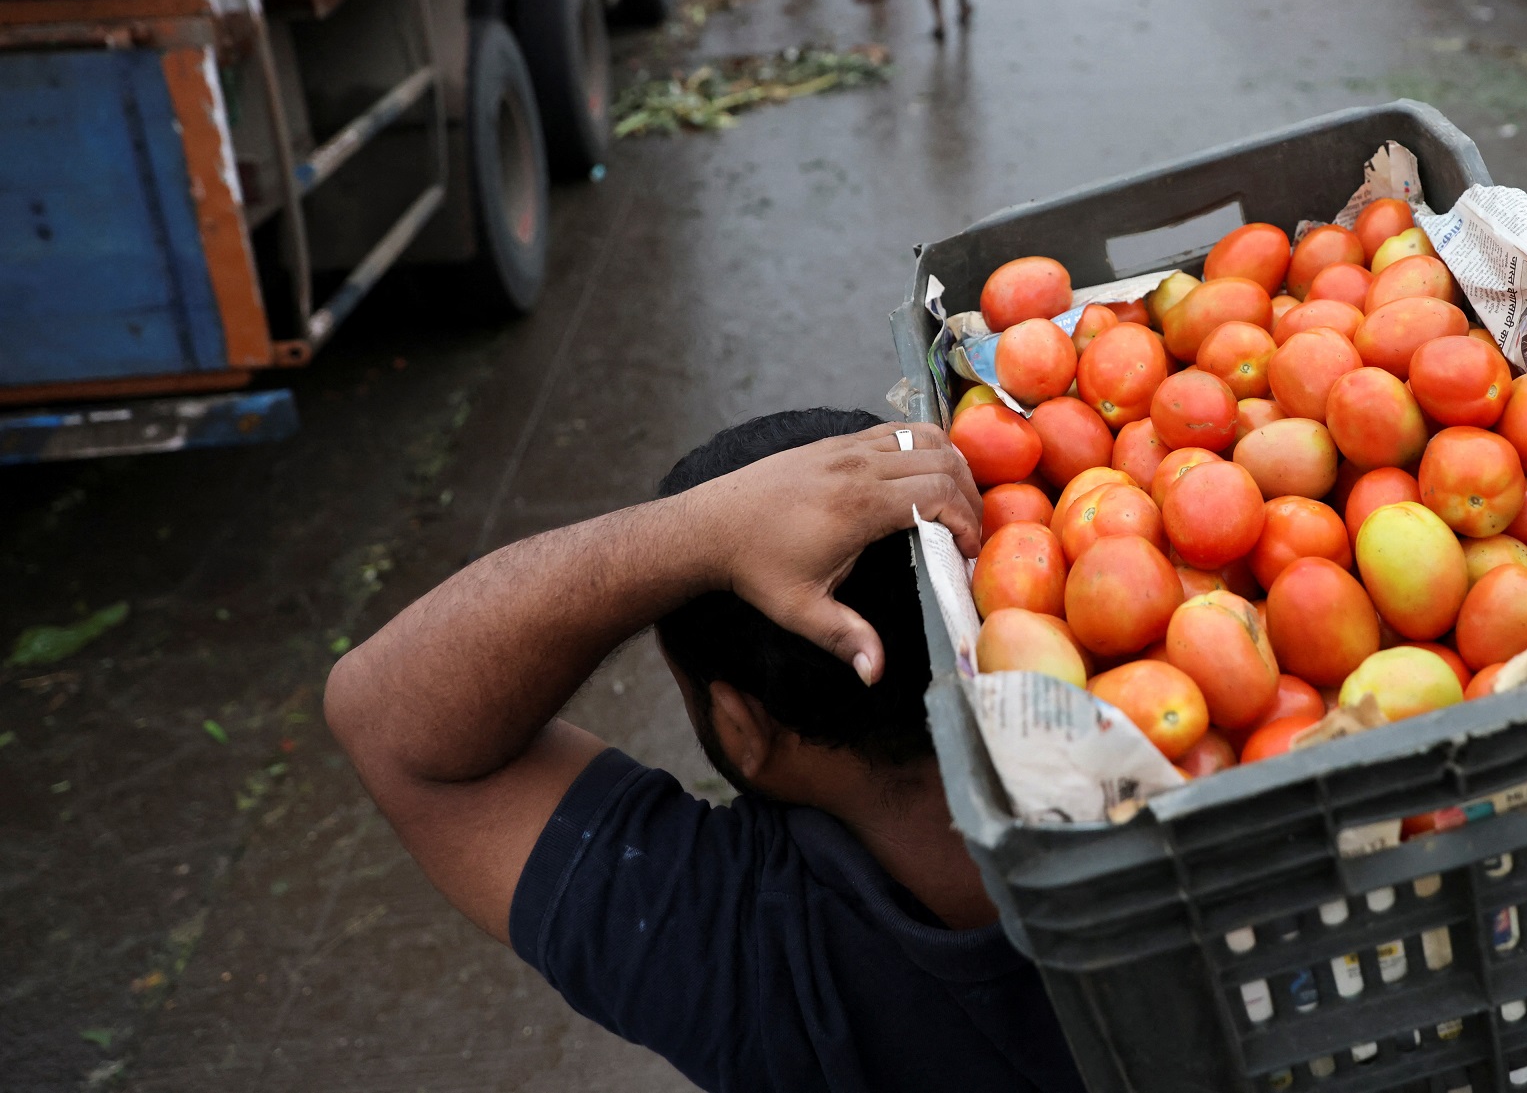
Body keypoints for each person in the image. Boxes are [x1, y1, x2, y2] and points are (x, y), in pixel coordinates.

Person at [324, 410, 1083, 1093]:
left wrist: (701, 533)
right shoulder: (1151, 756)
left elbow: (383, 718)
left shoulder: (754, 951)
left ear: (741, 726)